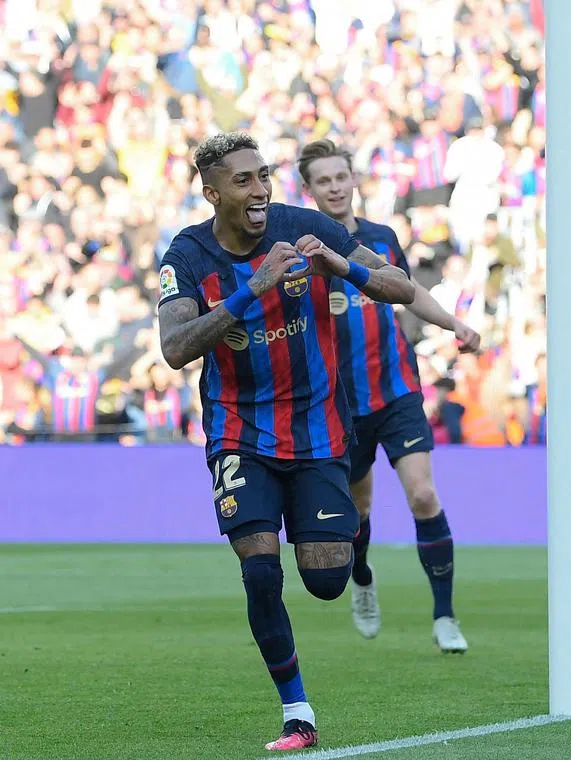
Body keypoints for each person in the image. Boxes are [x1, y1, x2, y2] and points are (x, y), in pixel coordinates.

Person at [156, 132, 414, 752]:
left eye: (263, 175)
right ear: (212, 193)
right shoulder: (187, 255)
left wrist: (341, 265)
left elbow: (400, 287)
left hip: (320, 429)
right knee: (260, 571)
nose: (260, 189)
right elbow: (174, 348)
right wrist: (255, 288)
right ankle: (298, 712)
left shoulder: (302, 225)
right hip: (239, 433)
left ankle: (351, 551)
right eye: (244, 181)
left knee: (326, 579)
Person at [298, 138, 479, 652]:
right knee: (358, 511)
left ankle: (444, 616)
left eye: (340, 177)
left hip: (396, 388)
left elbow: (409, 292)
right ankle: (362, 579)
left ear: (352, 181)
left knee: (422, 494)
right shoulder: (302, 249)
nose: (334, 187)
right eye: (323, 180)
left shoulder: (381, 238)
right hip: (340, 404)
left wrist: (453, 324)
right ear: (309, 191)